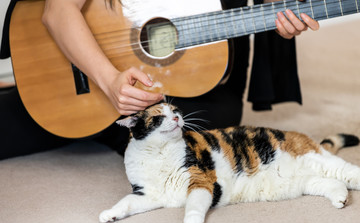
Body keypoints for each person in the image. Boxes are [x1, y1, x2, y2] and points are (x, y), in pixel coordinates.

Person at [0, 0, 319, 160]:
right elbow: (57, 11)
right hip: (81, 62)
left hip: (166, 71)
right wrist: (110, 81)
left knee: (220, 119)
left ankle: (107, 121)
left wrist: (277, 18)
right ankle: (108, 119)